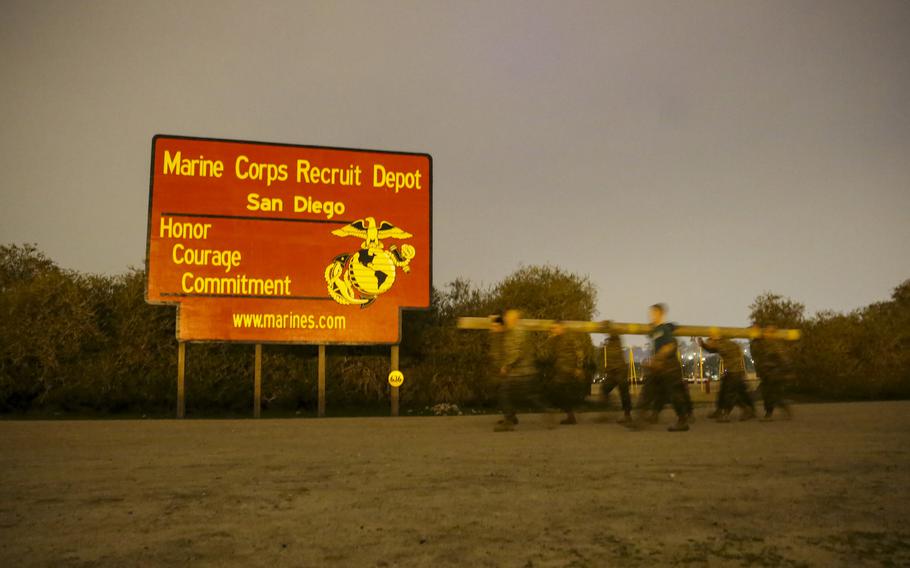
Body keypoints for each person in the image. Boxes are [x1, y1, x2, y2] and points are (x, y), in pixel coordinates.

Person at [633, 303, 690, 432]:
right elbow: (665, 330)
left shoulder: (662, 329)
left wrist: (655, 360)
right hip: (659, 367)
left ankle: (682, 421)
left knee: (674, 394)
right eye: (650, 314)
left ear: (660, 314)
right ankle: (639, 419)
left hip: (669, 366)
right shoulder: (658, 329)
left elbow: (669, 346)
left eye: (653, 313)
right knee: (647, 392)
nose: (651, 316)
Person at [494, 309, 545, 431]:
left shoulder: (517, 332)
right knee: (525, 396)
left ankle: (509, 421)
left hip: (520, 371)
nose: (505, 318)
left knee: (504, 393)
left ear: (513, 319)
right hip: (521, 371)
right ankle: (511, 418)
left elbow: (516, 353)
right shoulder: (512, 331)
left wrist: (507, 366)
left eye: (507, 317)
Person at [698, 334, 756, 421]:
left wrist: (704, 344)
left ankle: (726, 413)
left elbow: (712, 349)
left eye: (710, 341)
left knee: (730, 394)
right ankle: (721, 410)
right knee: (726, 393)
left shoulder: (724, 344)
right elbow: (713, 349)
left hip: (734, 372)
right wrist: (703, 344)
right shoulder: (725, 343)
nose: (709, 343)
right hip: (733, 372)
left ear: (715, 340)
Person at [545, 322, 589, 425]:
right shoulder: (555, 339)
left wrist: (578, 367)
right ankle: (571, 414)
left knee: (557, 389)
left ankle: (570, 413)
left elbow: (579, 352)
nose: (553, 330)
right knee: (562, 392)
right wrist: (550, 339)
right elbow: (548, 353)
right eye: (552, 328)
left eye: (555, 327)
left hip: (569, 369)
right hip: (560, 369)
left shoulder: (570, 337)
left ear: (562, 327)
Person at [750, 326, 794, 421]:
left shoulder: (775, 345)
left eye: (769, 332)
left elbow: (784, 359)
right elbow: (755, 348)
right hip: (765, 373)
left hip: (774, 373)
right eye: (765, 332)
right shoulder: (762, 343)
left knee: (771, 394)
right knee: (769, 394)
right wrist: (755, 335)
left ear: (773, 334)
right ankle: (783, 409)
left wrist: (787, 371)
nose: (766, 334)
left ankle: (769, 414)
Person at [600, 329, 632, 423]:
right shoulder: (609, 343)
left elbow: (613, 333)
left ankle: (627, 415)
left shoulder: (616, 340)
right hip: (612, 372)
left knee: (624, 393)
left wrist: (607, 326)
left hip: (620, 370)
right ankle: (612, 406)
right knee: (604, 389)